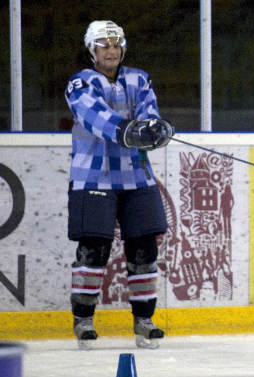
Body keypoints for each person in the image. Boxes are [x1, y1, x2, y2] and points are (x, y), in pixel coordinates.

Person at [64, 20, 174, 350]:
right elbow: (93, 116)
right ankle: (83, 320)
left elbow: (149, 111)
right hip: (92, 176)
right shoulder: (79, 82)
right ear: (92, 50)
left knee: (144, 250)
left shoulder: (139, 78)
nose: (111, 50)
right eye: (103, 45)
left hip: (137, 175)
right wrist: (129, 130)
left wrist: (156, 129)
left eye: (116, 45)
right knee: (93, 250)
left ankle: (144, 320)